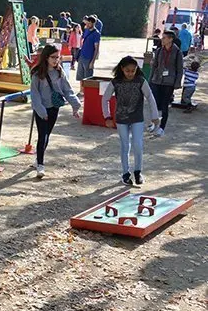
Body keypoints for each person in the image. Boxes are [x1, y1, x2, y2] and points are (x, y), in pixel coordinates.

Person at [102, 56, 160, 186]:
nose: (130, 73)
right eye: (127, 70)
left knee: (138, 145)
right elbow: (105, 99)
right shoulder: (115, 82)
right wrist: (107, 117)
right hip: (121, 119)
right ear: (122, 69)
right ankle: (125, 173)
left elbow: (150, 97)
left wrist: (154, 116)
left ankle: (138, 171)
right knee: (125, 145)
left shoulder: (141, 81)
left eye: (133, 71)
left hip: (137, 118)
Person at [30, 45, 81, 178]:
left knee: (47, 135)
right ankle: (40, 165)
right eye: (53, 57)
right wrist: (41, 111)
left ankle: (38, 159)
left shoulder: (59, 72)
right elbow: (35, 95)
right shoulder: (37, 74)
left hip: (54, 108)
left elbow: (67, 90)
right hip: (41, 109)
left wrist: (76, 105)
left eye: (58, 57)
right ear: (46, 57)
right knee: (43, 136)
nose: (56, 60)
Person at [149, 30, 183, 137]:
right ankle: (154, 123)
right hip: (157, 80)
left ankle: (162, 128)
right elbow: (154, 66)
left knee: (164, 105)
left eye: (164, 38)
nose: (162, 40)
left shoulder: (177, 53)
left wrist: (177, 83)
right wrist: (150, 80)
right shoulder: (159, 51)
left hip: (169, 82)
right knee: (154, 104)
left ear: (170, 39)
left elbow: (180, 69)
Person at [76, 16, 101, 84]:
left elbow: (96, 48)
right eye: (87, 23)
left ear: (93, 23)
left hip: (89, 58)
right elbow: (82, 38)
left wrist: (92, 62)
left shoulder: (97, 34)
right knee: (80, 76)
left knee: (88, 78)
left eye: (89, 23)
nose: (87, 25)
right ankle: (81, 91)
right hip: (82, 56)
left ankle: (86, 92)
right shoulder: (86, 30)